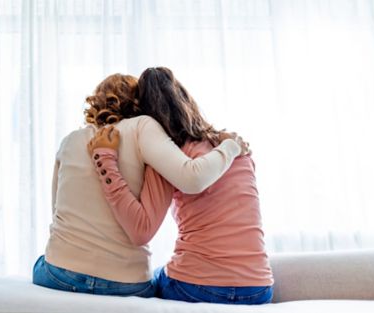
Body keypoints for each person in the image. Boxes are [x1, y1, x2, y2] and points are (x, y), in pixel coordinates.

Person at [32, 73, 244, 297]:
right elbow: (191, 178)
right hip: (126, 282)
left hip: (60, 274)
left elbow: (57, 212)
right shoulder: (144, 127)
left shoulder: (70, 140)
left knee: (41, 262)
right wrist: (231, 146)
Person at [88, 67, 274, 304]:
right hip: (258, 288)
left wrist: (106, 162)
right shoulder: (236, 149)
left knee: (149, 280)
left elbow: (140, 231)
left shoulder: (168, 157)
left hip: (197, 286)